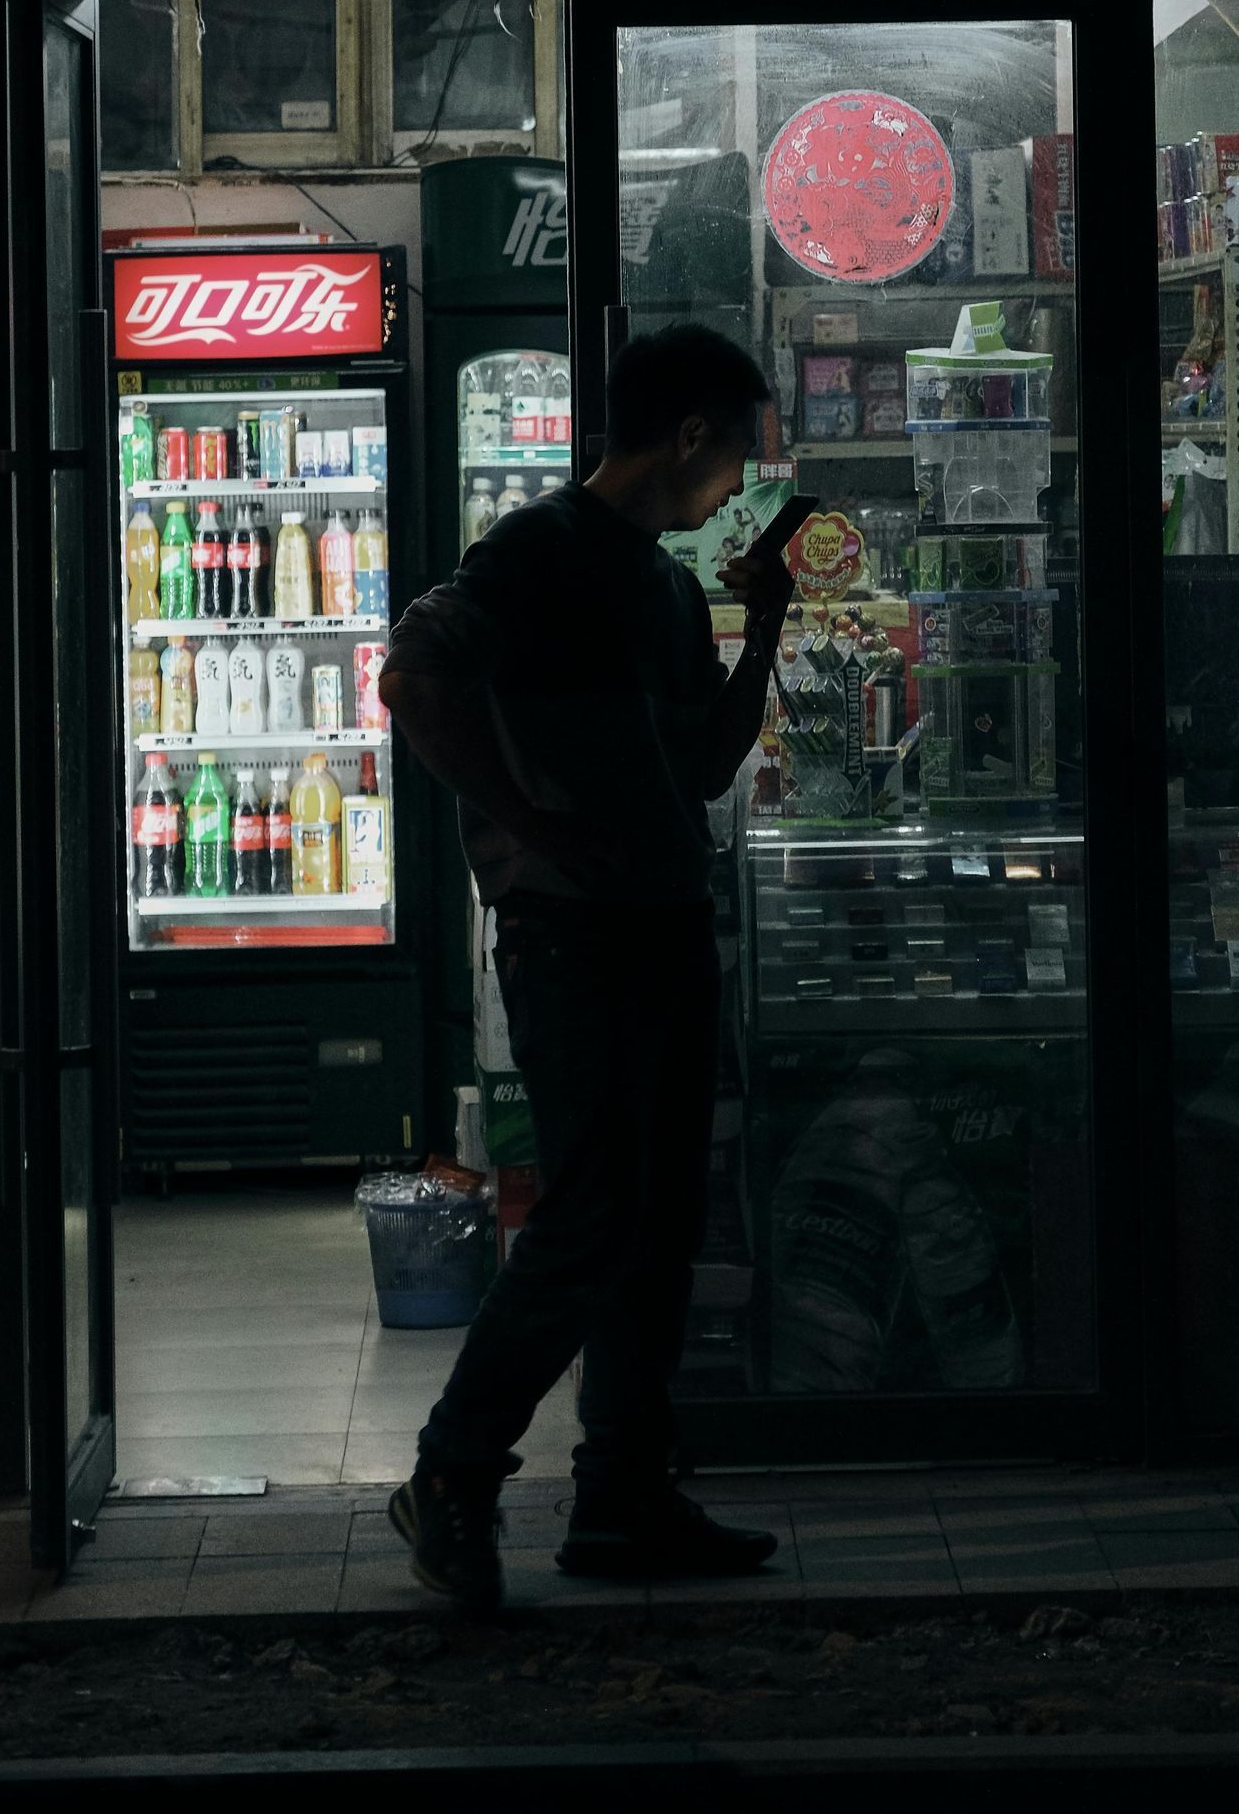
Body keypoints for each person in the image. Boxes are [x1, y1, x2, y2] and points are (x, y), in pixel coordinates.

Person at [379, 322, 794, 1613]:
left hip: (662, 920)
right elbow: (414, 675)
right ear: (686, 438)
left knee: (657, 1222)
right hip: (577, 933)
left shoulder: (670, 587)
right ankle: (452, 1471)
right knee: (592, 1218)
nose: (742, 480)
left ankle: (624, 1493)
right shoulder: (540, 553)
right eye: (737, 453)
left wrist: (763, 618)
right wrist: (532, 823)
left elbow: (708, 766)